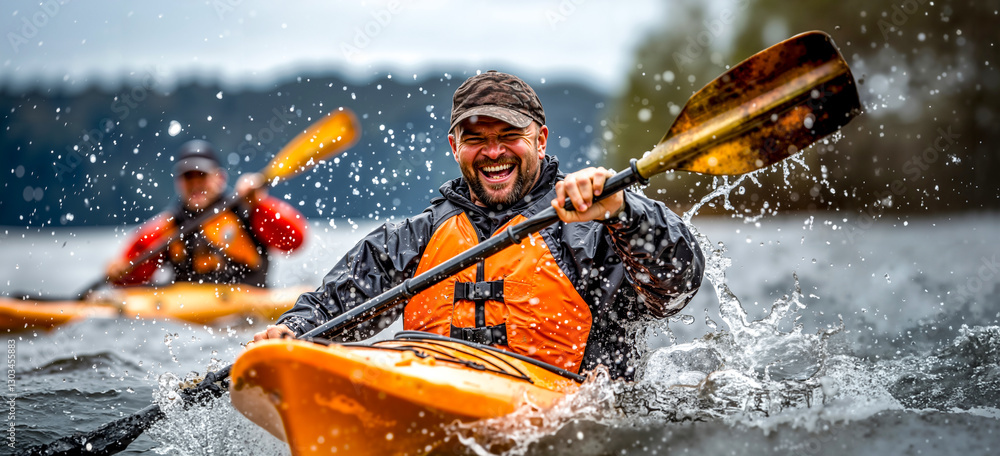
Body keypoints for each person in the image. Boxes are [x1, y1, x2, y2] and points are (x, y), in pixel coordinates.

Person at [252, 70, 704, 379]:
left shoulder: (590, 222)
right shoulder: (418, 237)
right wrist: (292, 331)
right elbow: (332, 305)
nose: (493, 151)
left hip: (570, 410)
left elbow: (680, 284)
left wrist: (625, 210)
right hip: (441, 392)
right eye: (476, 139)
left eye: (509, 136)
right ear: (454, 146)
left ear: (540, 140)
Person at [106, 140, 308, 288]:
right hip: (187, 313)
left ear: (220, 178)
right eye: (188, 177)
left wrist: (259, 204)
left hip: (245, 308)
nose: (195, 184)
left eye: (202, 175)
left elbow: (295, 240)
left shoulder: (246, 211)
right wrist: (119, 272)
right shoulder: (169, 226)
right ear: (179, 183)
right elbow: (130, 278)